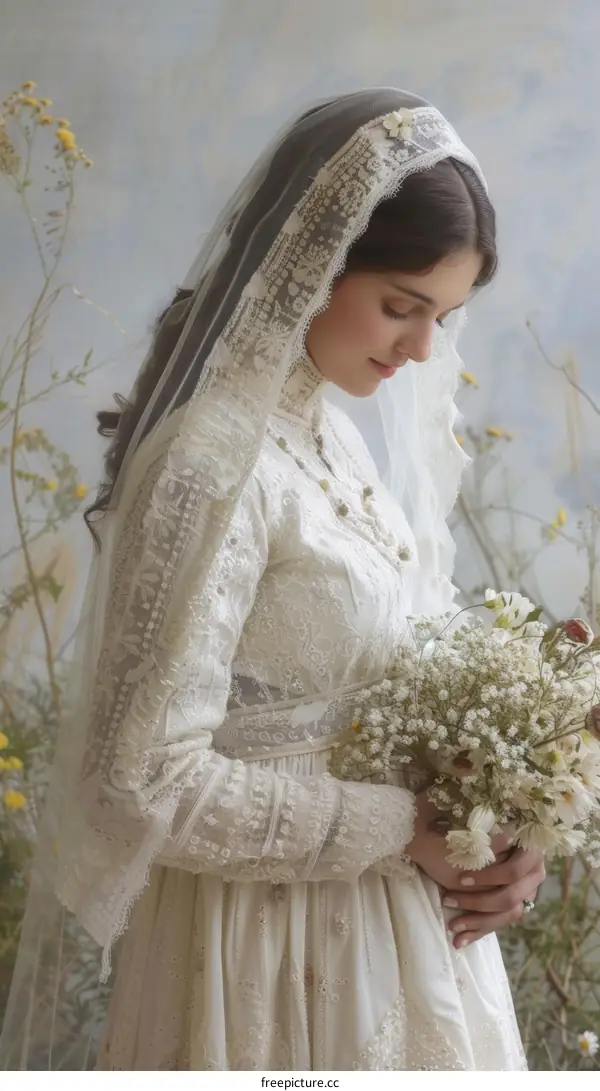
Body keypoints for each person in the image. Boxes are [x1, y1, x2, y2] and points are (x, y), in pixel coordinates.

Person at [0, 88, 545, 1072]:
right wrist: (406, 828)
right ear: (310, 262)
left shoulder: (330, 437)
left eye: (445, 317)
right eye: (400, 306)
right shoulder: (211, 464)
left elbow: (400, 694)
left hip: (402, 947)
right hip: (262, 960)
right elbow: (138, 783)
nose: (424, 349)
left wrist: (499, 832)